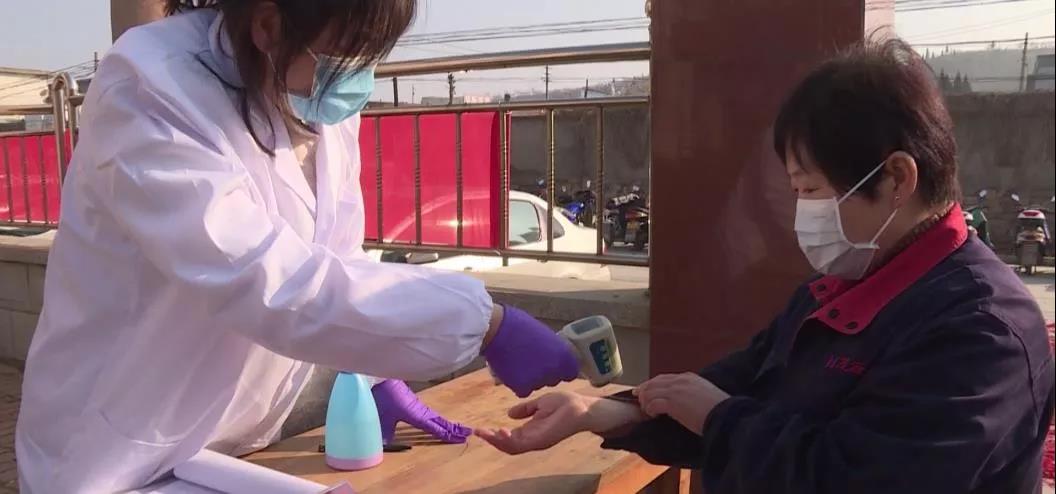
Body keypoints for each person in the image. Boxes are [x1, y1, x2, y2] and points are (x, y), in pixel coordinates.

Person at [15, 1, 580, 492]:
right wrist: (485, 324)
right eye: (349, 52)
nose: (360, 75)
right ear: (268, 24)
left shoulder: (305, 94)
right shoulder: (148, 88)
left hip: (220, 447)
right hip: (110, 451)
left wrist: (375, 374)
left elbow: (337, 263)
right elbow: (264, 278)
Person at [477, 39, 1056, 494]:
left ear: (897, 178)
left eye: (813, 189)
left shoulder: (981, 333)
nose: (802, 212)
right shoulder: (839, 290)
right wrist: (599, 412)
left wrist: (719, 418)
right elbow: (739, 382)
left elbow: (852, 477)